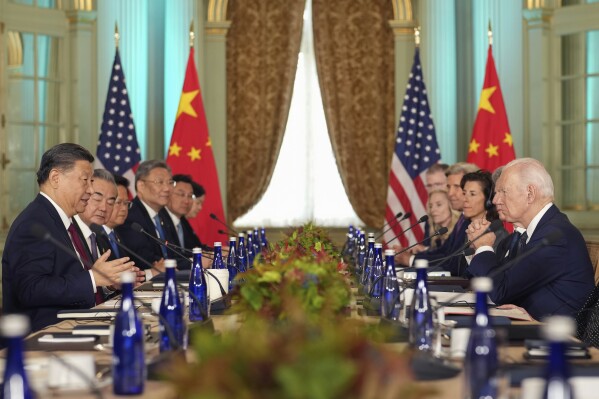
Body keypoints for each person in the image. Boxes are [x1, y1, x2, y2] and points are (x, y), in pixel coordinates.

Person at [2, 143, 135, 331]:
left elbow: (73, 278)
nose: (90, 190)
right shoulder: (34, 224)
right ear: (56, 178)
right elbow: (30, 289)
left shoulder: (64, 221)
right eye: (85, 180)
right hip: (43, 337)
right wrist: (93, 278)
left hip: (75, 325)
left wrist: (107, 282)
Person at [466, 158, 594, 320]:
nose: (495, 200)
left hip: (561, 338)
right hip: (535, 324)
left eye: (503, 192)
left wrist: (483, 247)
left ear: (530, 194)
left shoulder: (554, 235)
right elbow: (503, 282)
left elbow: (500, 290)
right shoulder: (538, 231)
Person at [395, 162, 478, 274]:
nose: (450, 193)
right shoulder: (463, 218)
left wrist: (411, 260)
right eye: (448, 187)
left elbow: (451, 263)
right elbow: (444, 253)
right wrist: (412, 256)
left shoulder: (475, 221)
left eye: (457, 187)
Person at [116, 160, 179, 280]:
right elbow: (146, 260)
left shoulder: (163, 214)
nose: (167, 188)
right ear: (141, 186)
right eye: (159, 182)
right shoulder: (130, 216)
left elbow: (174, 253)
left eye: (170, 182)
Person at [161, 174, 210, 269]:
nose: (186, 201)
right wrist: (196, 261)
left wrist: (213, 253)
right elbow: (169, 258)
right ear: (168, 194)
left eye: (190, 196)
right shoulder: (161, 219)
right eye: (181, 194)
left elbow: (192, 248)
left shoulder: (182, 221)